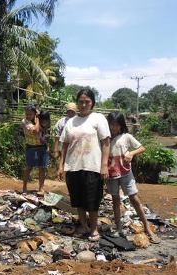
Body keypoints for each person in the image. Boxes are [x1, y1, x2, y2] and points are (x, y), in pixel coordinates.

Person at [58, 89, 111, 241]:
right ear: (77, 103)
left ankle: (94, 229)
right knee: (78, 199)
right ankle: (83, 225)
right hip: (73, 166)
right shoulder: (71, 122)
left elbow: (106, 143)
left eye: (87, 101)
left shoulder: (98, 118)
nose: (83, 104)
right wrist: (61, 165)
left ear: (92, 103)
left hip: (92, 166)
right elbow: (65, 145)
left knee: (93, 199)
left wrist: (104, 165)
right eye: (81, 101)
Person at [106, 111, 161, 244]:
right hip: (111, 174)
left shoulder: (126, 136)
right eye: (111, 124)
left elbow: (142, 148)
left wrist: (131, 153)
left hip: (125, 172)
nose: (114, 128)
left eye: (117, 125)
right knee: (115, 201)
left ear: (121, 125)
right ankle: (118, 227)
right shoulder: (105, 138)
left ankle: (147, 228)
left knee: (134, 199)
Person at [22, 104, 48, 194]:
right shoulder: (25, 121)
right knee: (29, 167)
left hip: (41, 146)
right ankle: (24, 187)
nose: (28, 116)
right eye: (27, 114)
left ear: (34, 113)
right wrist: (37, 118)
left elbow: (45, 128)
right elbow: (36, 131)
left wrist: (38, 118)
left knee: (42, 168)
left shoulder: (38, 120)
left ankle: (41, 188)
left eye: (30, 114)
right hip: (31, 147)